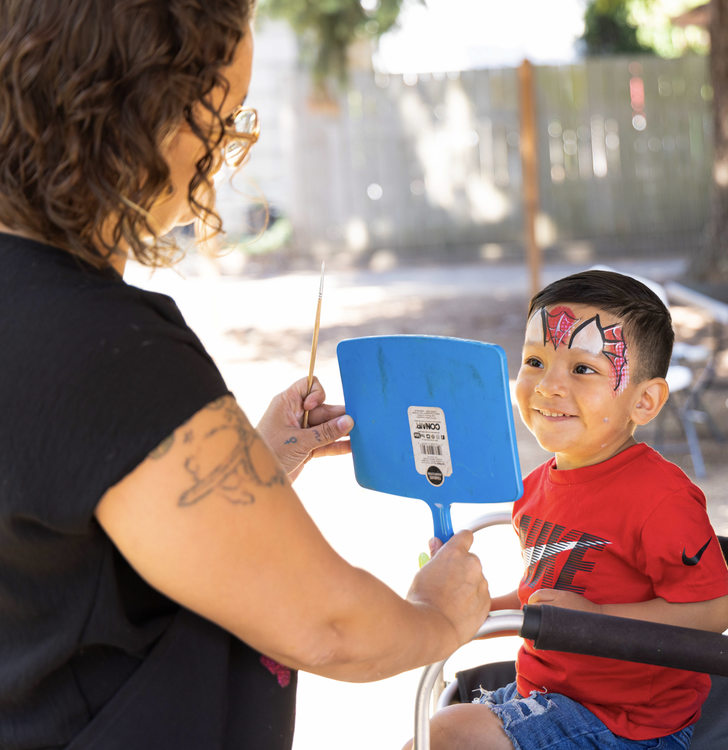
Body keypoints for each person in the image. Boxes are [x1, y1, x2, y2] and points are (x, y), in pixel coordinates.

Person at [0, 2, 489, 748]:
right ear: (132, 111)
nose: (224, 153)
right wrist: (437, 615)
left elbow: (67, 549)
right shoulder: (105, 347)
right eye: (221, 119)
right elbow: (327, 625)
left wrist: (259, 464)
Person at [413, 270, 728, 749]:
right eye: (536, 360)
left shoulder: (661, 498)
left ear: (644, 401)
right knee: (425, 737)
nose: (548, 386)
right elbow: (544, 600)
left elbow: (713, 610)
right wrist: (468, 612)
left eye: (583, 369)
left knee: (446, 736)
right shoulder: (533, 488)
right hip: (547, 691)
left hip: (631, 724)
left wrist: (598, 615)